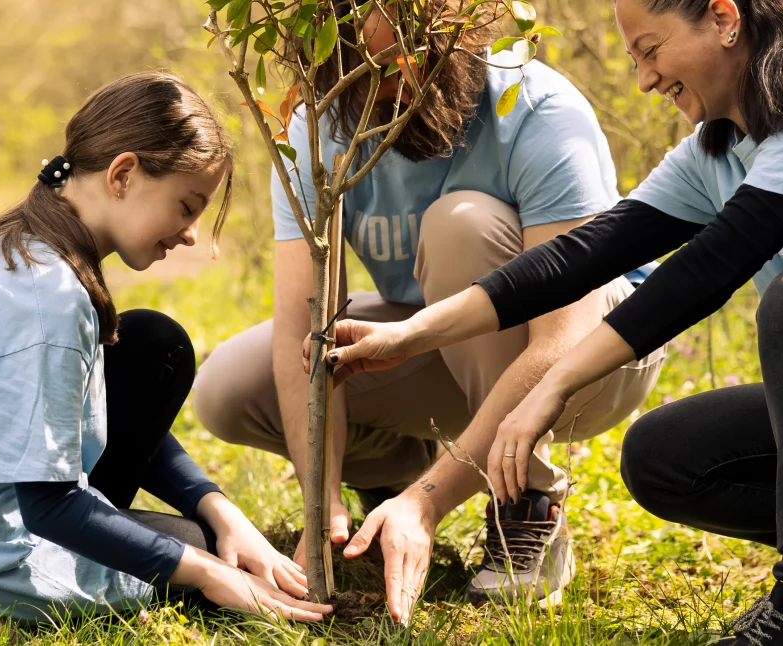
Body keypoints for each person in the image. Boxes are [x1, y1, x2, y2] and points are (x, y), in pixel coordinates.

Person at [319, 0, 783, 642]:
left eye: (650, 50)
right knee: (667, 457)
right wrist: (413, 332)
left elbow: (711, 266)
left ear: (724, 18)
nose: (646, 79)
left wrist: (552, 384)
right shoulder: (725, 144)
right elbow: (585, 254)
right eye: (634, 61)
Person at [191, 0, 665, 619]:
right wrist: (320, 498)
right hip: (442, 342)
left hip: (592, 355)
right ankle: (386, 477)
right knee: (231, 387)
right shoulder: (320, 126)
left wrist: (430, 503)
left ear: (455, 34)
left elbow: (562, 335)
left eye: (407, 61)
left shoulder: (535, 107)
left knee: (460, 227)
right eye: (361, 64)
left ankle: (526, 500)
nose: (385, 86)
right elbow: (302, 333)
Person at [0, 72, 331, 625]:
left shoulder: (21, 250)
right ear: (123, 174)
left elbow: (78, 410)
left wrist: (217, 507)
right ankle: (0, 605)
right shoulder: (44, 297)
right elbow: (48, 505)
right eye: (186, 206)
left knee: (152, 346)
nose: (191, 233)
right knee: (198, 555)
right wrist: (206, 569)